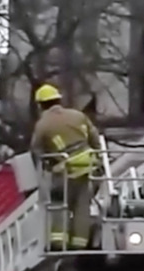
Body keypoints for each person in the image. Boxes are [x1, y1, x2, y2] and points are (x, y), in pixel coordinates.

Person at [30, 84, 102, 251]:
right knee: (82, 207)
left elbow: (36, 150)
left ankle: (58, 243)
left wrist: (44, 168)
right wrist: (97, 158)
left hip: (63, 172)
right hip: (89, 168)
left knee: (59, 205)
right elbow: (95, 139)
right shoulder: (79, 116)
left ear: (40, 104)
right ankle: (79, 245)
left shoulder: (43, 124)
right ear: (58, 99)